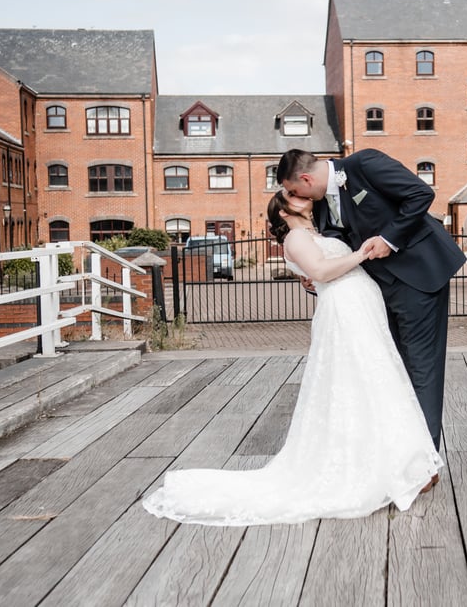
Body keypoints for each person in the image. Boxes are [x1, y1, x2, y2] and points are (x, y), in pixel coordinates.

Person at [142, 191, 443, 525]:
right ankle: (378, 465)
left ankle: (396, 461)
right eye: (290, 195)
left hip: (359, 306)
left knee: (373, 379)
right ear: (283, 213)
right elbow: (322, 271)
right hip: (345, 308)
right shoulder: (296, 237)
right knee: (360, 380)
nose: (299, 195)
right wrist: (361, 254)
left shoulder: (317, 232)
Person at [277, 148, 465, 463]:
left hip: (418, 278)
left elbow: (420, 194)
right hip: (376, 293)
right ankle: (399, 449)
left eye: (295, 191)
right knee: (394, 367)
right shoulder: (320, 204)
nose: (297, 198)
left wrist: (388, 239)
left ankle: (424, 461)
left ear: (306, 179)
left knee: (421, 367)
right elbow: (337, 247)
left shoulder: (364, 164)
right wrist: (315, 278)